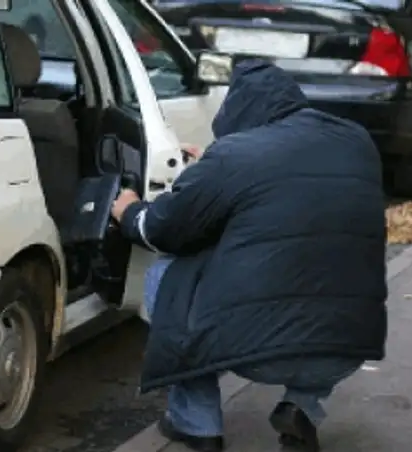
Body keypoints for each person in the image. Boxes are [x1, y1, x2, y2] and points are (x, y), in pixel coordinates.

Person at [111, 60, 388, 452]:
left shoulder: (234, 156)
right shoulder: (357, 141)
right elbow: (289, 183)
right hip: (349, 345)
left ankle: (197, 423)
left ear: (237, 110)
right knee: (328, 278)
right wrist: (214, 164)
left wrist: (128, 212)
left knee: (166, 275)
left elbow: (164, 230)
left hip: (261, 351)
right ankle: (301, 407)